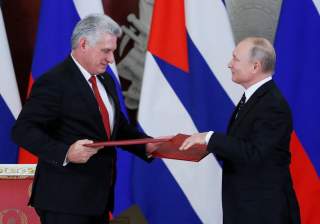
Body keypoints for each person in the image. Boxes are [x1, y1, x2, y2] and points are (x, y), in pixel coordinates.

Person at [12, 14, 154, 224]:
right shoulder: (54, 82)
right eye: (106, 51)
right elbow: (22, 130)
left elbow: (116, 126)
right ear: (83, 44)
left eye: (113, 51)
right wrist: (66, 152)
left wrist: (147, 145)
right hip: (64, 202)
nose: (111, 59)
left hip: (99, 199)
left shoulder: (105, 79)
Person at [180, 37, 300, 224]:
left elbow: (254, 153)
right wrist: (205, 147)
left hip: (264, 214)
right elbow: (242, 148)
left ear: (255, 66)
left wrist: (210, 138)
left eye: (235, 59)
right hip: (246, 210)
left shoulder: (273, 105)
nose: (229, 64)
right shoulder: (254, 99)